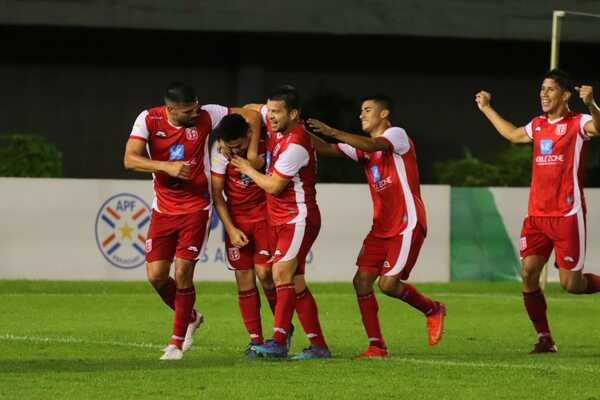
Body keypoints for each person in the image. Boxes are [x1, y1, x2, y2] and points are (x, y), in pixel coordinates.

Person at [124, 82, 260, 360]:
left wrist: (250, 149)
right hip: (162, 209)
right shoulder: (148, 119)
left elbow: (253, 115)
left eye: (196, 107)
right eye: (187, 111)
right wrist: (166, 166)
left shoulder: (208, 114)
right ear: (171, 109)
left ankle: (175, 343)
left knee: (184, 273)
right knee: (157, 277)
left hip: (197, 209)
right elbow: (130, 159)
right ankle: (191, 317)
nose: (194, 114)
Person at [307, 94, 446, 359]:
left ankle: (433, 309)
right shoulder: (360, 147)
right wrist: (295, 132)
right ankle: (377, 346)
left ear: (384, 114)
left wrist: (333, 131)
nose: (362, 114)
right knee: (361, 282)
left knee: (388, 284)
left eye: (368, 110)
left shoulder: (397, 135)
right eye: (361, 110)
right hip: (380, 228)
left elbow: (372, 146)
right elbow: (325, 149)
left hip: (407, 222)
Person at [475, 69, 600, 353]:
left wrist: (592, 103)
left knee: (572, 284)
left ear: (565, 95)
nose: (543, 93)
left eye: (550, 89)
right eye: (542, 88)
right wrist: (487, 108)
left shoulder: (578, 123)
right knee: (528, 274)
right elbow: (512, 135)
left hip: (567, 214)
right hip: (537, 217)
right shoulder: (538, 125)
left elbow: (599, 127)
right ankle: (545, 338)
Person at [232, 85, 330, 360]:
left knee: (280, 275)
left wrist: (248, 167)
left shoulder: (296, 144)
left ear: (294, 114)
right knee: (295, 282)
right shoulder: (277, 124)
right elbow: (252, 109)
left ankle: (278, 340)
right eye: (270, 111)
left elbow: (274, 186)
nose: (271, 117)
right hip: (281, 218)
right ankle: (318, 346)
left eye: (277, 112)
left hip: (297, 217)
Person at [210, 114, 280, 358]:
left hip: (264, 217)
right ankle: (255, 341)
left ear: (249, 136)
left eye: (237, 146)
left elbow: (257, 110)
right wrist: (230, 228)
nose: (232, 151)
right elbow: (217, 195)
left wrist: (252, 159)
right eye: (228, 146)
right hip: (237, 222)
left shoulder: (266, 144)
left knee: (266, 274)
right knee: (244, 279)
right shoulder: (219, 151)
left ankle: (281, 333)